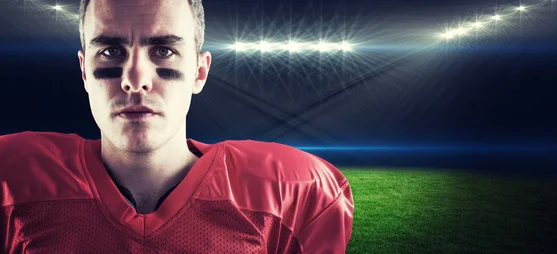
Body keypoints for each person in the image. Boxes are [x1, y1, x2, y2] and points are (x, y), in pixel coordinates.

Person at [0, 0, 354, 253]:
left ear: (200, 71)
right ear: (83, 72)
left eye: (164, 51)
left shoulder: (289, 194)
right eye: (109, 51)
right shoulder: (13, 179)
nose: (135, 79)